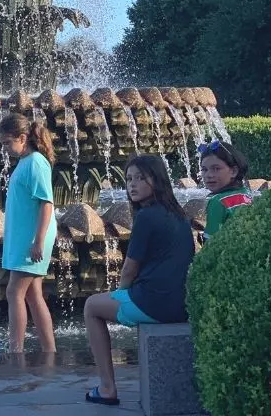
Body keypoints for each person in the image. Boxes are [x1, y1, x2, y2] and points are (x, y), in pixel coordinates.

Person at [83, 155, 194, 406]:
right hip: (180, 302)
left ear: (157, 180)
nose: (132, 185)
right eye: (129, 179)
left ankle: (108, 387)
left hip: (156, 303)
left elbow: (128, 272)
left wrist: (120, 295)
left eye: (140, 178)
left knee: (92, 306)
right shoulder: (177, 214)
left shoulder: (146, 217)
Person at [0, 113, 57, 354]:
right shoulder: (26, 162)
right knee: (33, 295)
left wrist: (38, 241)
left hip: (32, 239)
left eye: (6, 143)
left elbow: (46, 204)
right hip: (26, 237)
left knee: (14, 292)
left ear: (22, 137)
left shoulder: (35, 162)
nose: (4, 149)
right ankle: (49, 350)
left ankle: (16, 351)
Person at [199, 139, 252, 240]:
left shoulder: (218, 202)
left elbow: (211, 243)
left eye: (216, 169)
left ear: (234, 171)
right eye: (204, 169)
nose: (208, 175)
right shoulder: (245, 193)